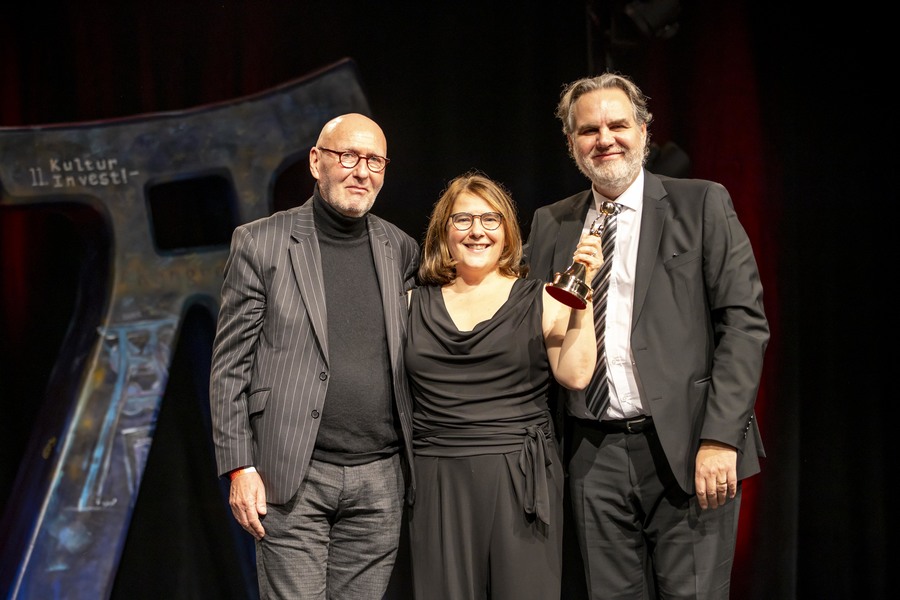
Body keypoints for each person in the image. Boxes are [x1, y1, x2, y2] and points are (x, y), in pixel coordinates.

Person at [523, 73, 769, 599]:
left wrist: (720, 438)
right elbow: (524, 320)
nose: (604, 139)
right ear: (571, 142)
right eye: (588, 130)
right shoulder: (551, 223)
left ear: (643, 129)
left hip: (689, 447)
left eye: (618, 125)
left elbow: (744, 325)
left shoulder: (701, 203)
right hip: (591, 453)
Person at [209, 112, 420, 599]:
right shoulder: (261, 242)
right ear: (315, 161)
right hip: (292, 477)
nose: (361, 171)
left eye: (374, 161)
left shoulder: (399, 247)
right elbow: (229, 368)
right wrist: (240, 467)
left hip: (380, 480)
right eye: (348, 156)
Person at [404, 171, 600, 599]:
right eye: (463, 220)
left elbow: (575, 375)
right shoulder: (411, 303)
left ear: (508, 231)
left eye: (490, 219)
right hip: (437, 476)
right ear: (444, 232)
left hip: (519, 477)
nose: (477, 231)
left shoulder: (542, 297)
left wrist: (582, 298)